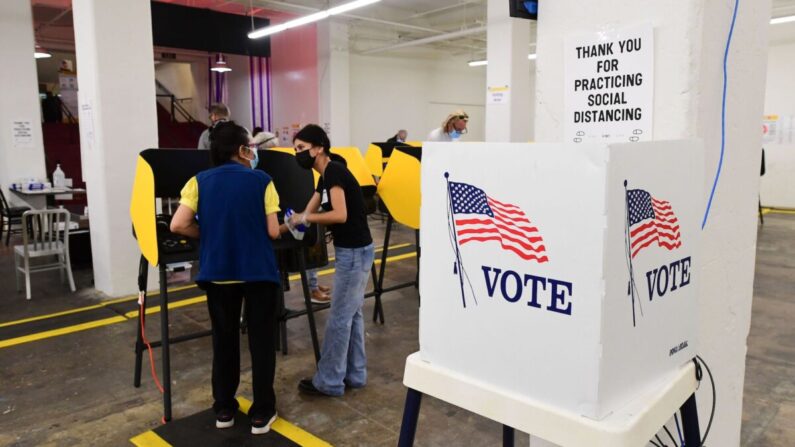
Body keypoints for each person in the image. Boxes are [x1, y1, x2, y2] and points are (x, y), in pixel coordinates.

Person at [171, 120, 284, 435]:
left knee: (224, 342)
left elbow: (177, 225)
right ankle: (262, 412)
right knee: (261, 343)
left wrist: (207, 234)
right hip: (258, 274)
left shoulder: (198, 182)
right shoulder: (262, 180)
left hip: (219, 274)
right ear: (242, 149)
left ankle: (224, 408)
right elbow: (273, 231)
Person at [289, 124, 374, 397]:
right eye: (296, 149)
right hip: (355, 251)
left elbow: (339, 215)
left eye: (301, 148)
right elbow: (304, 213)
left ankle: (329, 381)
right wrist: (279, 228)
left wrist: (305, 219)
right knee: (352, 314)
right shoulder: (324, 176)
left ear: (319, 148)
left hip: (354, 253)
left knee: (339, 317)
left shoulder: (334, 171)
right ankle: (355, 374)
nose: (298, 154)